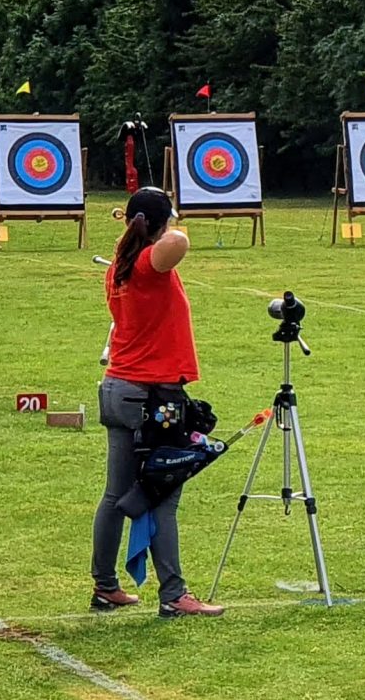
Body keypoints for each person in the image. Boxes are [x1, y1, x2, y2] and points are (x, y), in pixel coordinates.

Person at [90, 187, 225, 618]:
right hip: (148, 396)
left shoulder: (121, 264)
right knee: (162, 494)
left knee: (116, 495)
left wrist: (148, 222)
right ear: (159, 225)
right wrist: (167, 223)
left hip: (119, 389)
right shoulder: (148, 264)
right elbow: (178, 242)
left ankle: (105, 587)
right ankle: (173, 595)